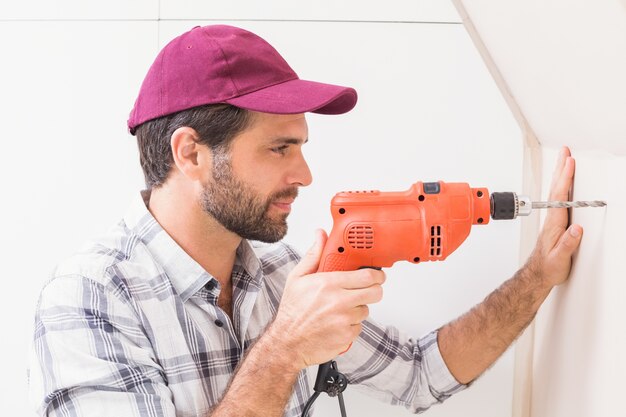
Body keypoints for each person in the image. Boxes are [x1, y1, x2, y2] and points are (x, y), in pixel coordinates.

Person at [29, 25, 583, 417]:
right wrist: (286, 347)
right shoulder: (90, 299)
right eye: (279, 149)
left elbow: (420, 375)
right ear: (191, 153)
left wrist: (536, 278)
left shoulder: (282, 276)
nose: (305, 174)